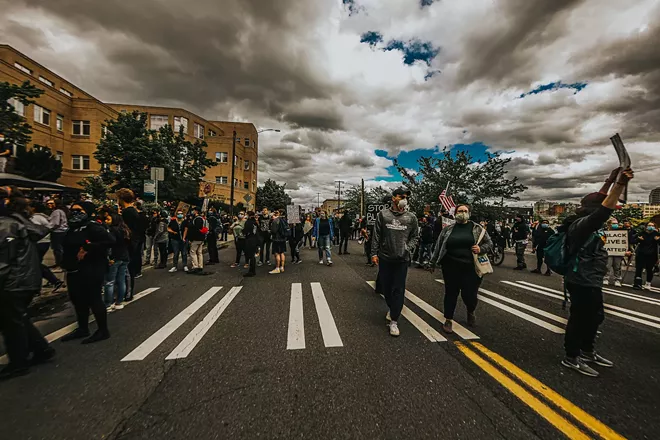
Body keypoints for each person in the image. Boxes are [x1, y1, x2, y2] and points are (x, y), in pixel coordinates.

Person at [559, 167, 633, 377]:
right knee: (580, 318)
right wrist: (620, 185)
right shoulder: (582, 225)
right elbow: (603, 209)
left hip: (591, 279)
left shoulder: (586, 220)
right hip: (581, 279)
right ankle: (571, 356)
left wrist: (610, 180)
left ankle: (587, 351)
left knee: (596, 316)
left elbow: (598, 202)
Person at [0, 187, 55, 380]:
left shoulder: (7, 225)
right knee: (17, 318)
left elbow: (4, 260)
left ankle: (19, 363)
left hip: (14, 281)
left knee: (11, 322)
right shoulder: (19, 222)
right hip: (26, 279)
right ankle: (41, 348)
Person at [430, 204, 492, 333]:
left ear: (469, 213)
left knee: (469, 294)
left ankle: (470, 310)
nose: (462, 213)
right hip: (450, 266)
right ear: (455, 213)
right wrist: (433, 262)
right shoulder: (448, 229)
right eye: (460, 211)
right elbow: (439, 246)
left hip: (471, 268)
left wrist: (481, 249)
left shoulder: (477, 228)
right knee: (451, 293)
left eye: (465, 211)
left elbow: (489, 243)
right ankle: (448, 319)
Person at [61, 201, 115, 344]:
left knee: (94, 298)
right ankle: (82, 328)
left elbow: (110, 241)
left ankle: (103, 330)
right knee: (77, 299)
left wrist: (89, 247)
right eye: (72, 210)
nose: (74, 213)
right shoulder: (72, 228)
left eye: (79, 210)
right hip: (74, 269)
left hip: (92, 268)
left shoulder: (93, 227)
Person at [371, 187, 419, 337]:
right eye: (401, 196)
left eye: (406, 197)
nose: (403, 199)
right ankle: (393, 308)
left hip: (402, 260)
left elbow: (415, 237)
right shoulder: (383, 215)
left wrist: (407, 248)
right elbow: (377, 234)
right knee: (386, 288)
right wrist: (373, 253)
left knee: (398, 289)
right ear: (393, 198)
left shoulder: (411, 218)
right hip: (385, 258)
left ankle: (394, 321)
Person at [29, 201, 64, 291]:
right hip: (44, 242)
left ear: (33, 208)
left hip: (39, 242)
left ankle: (52, 281)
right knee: (36, 263)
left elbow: (35, 231)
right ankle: (52, 281)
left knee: (35, 264)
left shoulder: (35, 218)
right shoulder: (43, 217)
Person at [116, 189, 143, 301]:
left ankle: (128, 293)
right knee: (128, 269)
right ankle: (126, 292)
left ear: (121, 199)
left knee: (127, 270)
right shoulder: (133, 211)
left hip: (129, 244)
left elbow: (127, 230)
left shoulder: (128, 212)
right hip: (133, 244)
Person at [101, 210, 130, 312]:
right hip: (124, 257)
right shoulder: (125, 230)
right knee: (121, 280)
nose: (106, 221)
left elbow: (110, 245)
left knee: (109, 282)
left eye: (108, 219)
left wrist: (110, 257)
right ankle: (119, 302)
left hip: (114, 258)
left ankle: (108, 304)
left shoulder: (112, 231)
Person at [632, 221, 660, 290]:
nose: (651, 227)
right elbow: (633, 241)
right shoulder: (641, 233)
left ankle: (648, 283)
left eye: (653, 225)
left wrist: (658, 240)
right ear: (646, 227)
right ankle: (637, 283)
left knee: (649, 269)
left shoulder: (657, 234)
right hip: (641, 254)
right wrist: (638, 239)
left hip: (652, 255)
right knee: (639, 269)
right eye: (649, 225)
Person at [46, 198, 68, 271]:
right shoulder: (61, 211)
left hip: (58, 232)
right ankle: (59, 264)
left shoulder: (57, 212)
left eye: (52, 203)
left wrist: (47, 228)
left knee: (57, 249)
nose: (49, 205)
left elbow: (55, 223)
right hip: (62, 231)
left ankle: (59, 265)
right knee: (59, 249)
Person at [185, 207, 208, 274]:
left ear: (196, 211)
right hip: (201, 238)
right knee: (199, 252)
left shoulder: (197, 219)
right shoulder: (202, 219)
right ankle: (200, 266)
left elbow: (195, 230)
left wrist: (191, 239)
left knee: (193, 252)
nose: (192, 212)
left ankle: (195, 266)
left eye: (193, 210)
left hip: (196, 238)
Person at [604, 218, 626, 286]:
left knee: (617, 266)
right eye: (614, 223)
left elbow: (624, 242)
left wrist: (625, 250)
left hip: (618, 252)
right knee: (607, 265)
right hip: (608, 252)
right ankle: (605, 278)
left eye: (616, 223)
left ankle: (617, 279)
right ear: (609, 224)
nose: (615, 225)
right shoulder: (605, 232)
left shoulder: (621, 232)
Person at [269, 210, 288, 274]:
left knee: (276, 253)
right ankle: (282, 267)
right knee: (282, 253)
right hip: (283, 239)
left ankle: (277, 268)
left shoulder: (276, 221)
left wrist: (270, 231)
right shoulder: (284, 220)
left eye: (276, 213)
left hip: (276, 239)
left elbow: (273, 231)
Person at [243, 211, 259, 277]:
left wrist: (243, 232)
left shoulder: (248, 222)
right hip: (255, 239)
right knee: (253, 255)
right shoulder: (255, 222)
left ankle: (251, 271)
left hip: (249, 239)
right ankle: (253, 270)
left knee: (250, 256)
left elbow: (246, 231)